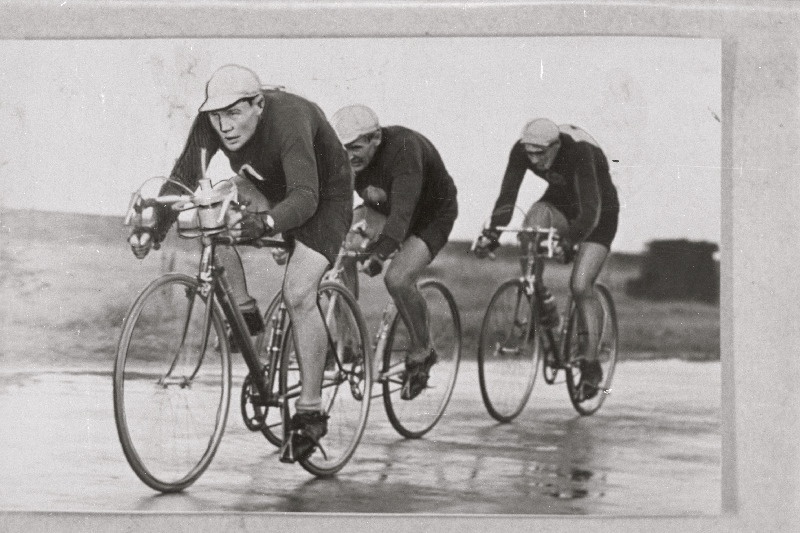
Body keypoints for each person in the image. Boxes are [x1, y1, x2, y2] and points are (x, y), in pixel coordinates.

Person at [127, 64, 353, 462]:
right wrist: (155, 227)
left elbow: (305, 197)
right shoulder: (211, 122)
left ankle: (311, 410)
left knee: (299, 292)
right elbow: (185, 175)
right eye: (216, 116)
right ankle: (246, 315)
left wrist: (265, 223)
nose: (224, 126)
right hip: (267, 185)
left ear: (258, 105)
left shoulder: (289, 119)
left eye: (234, 113)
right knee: (211, 212)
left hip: (322, 196)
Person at [474, 118, 620, 399]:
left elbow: (591, 211)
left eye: (541, 153)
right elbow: (508, 196)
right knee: (531, 226)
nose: (535, 160)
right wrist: (492, 234)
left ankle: (591, 364)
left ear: (556, 145)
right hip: (561, 204)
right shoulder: (522, 151)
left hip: (599, 213)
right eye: (530, 153)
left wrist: (569, 242)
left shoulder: (580, 152)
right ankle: (541, 299)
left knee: (580, 285)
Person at [330, 104, 458, 400]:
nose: (348, 155)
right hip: (383, 208)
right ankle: (347, 342)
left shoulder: (404, 149)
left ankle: (422, 351)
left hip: (429, 215)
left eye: (355, 147)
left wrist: (381, 251)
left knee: (398, 279)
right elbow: (335, 202)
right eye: (342, 148)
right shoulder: (348, 157)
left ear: (375, 138)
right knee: (337, 251)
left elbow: (402, 212)